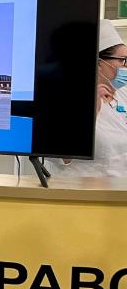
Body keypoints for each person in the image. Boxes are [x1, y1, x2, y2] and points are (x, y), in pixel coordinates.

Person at [49, 18, 127, 177]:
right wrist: (89, 115)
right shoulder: (65, 99)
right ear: (98, 63)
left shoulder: (122, 93)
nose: (126, 67)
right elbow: (62, 156)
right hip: (84, 189)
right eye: (123, 61)